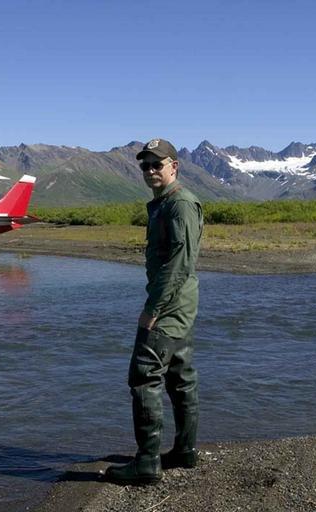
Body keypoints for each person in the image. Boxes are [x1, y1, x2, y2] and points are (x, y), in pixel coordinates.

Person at [105, 138, 203, 485]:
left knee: (144, 378)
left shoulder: (180, 205)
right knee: (180, 378)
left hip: (168, 309)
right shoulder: (166, 203)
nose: (149, 171)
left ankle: (147, 462)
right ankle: (185, 451)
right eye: (144, 165)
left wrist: (152, 310)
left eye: (156, 164)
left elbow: (179, 264)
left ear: (174, 166)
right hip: (180, 307)